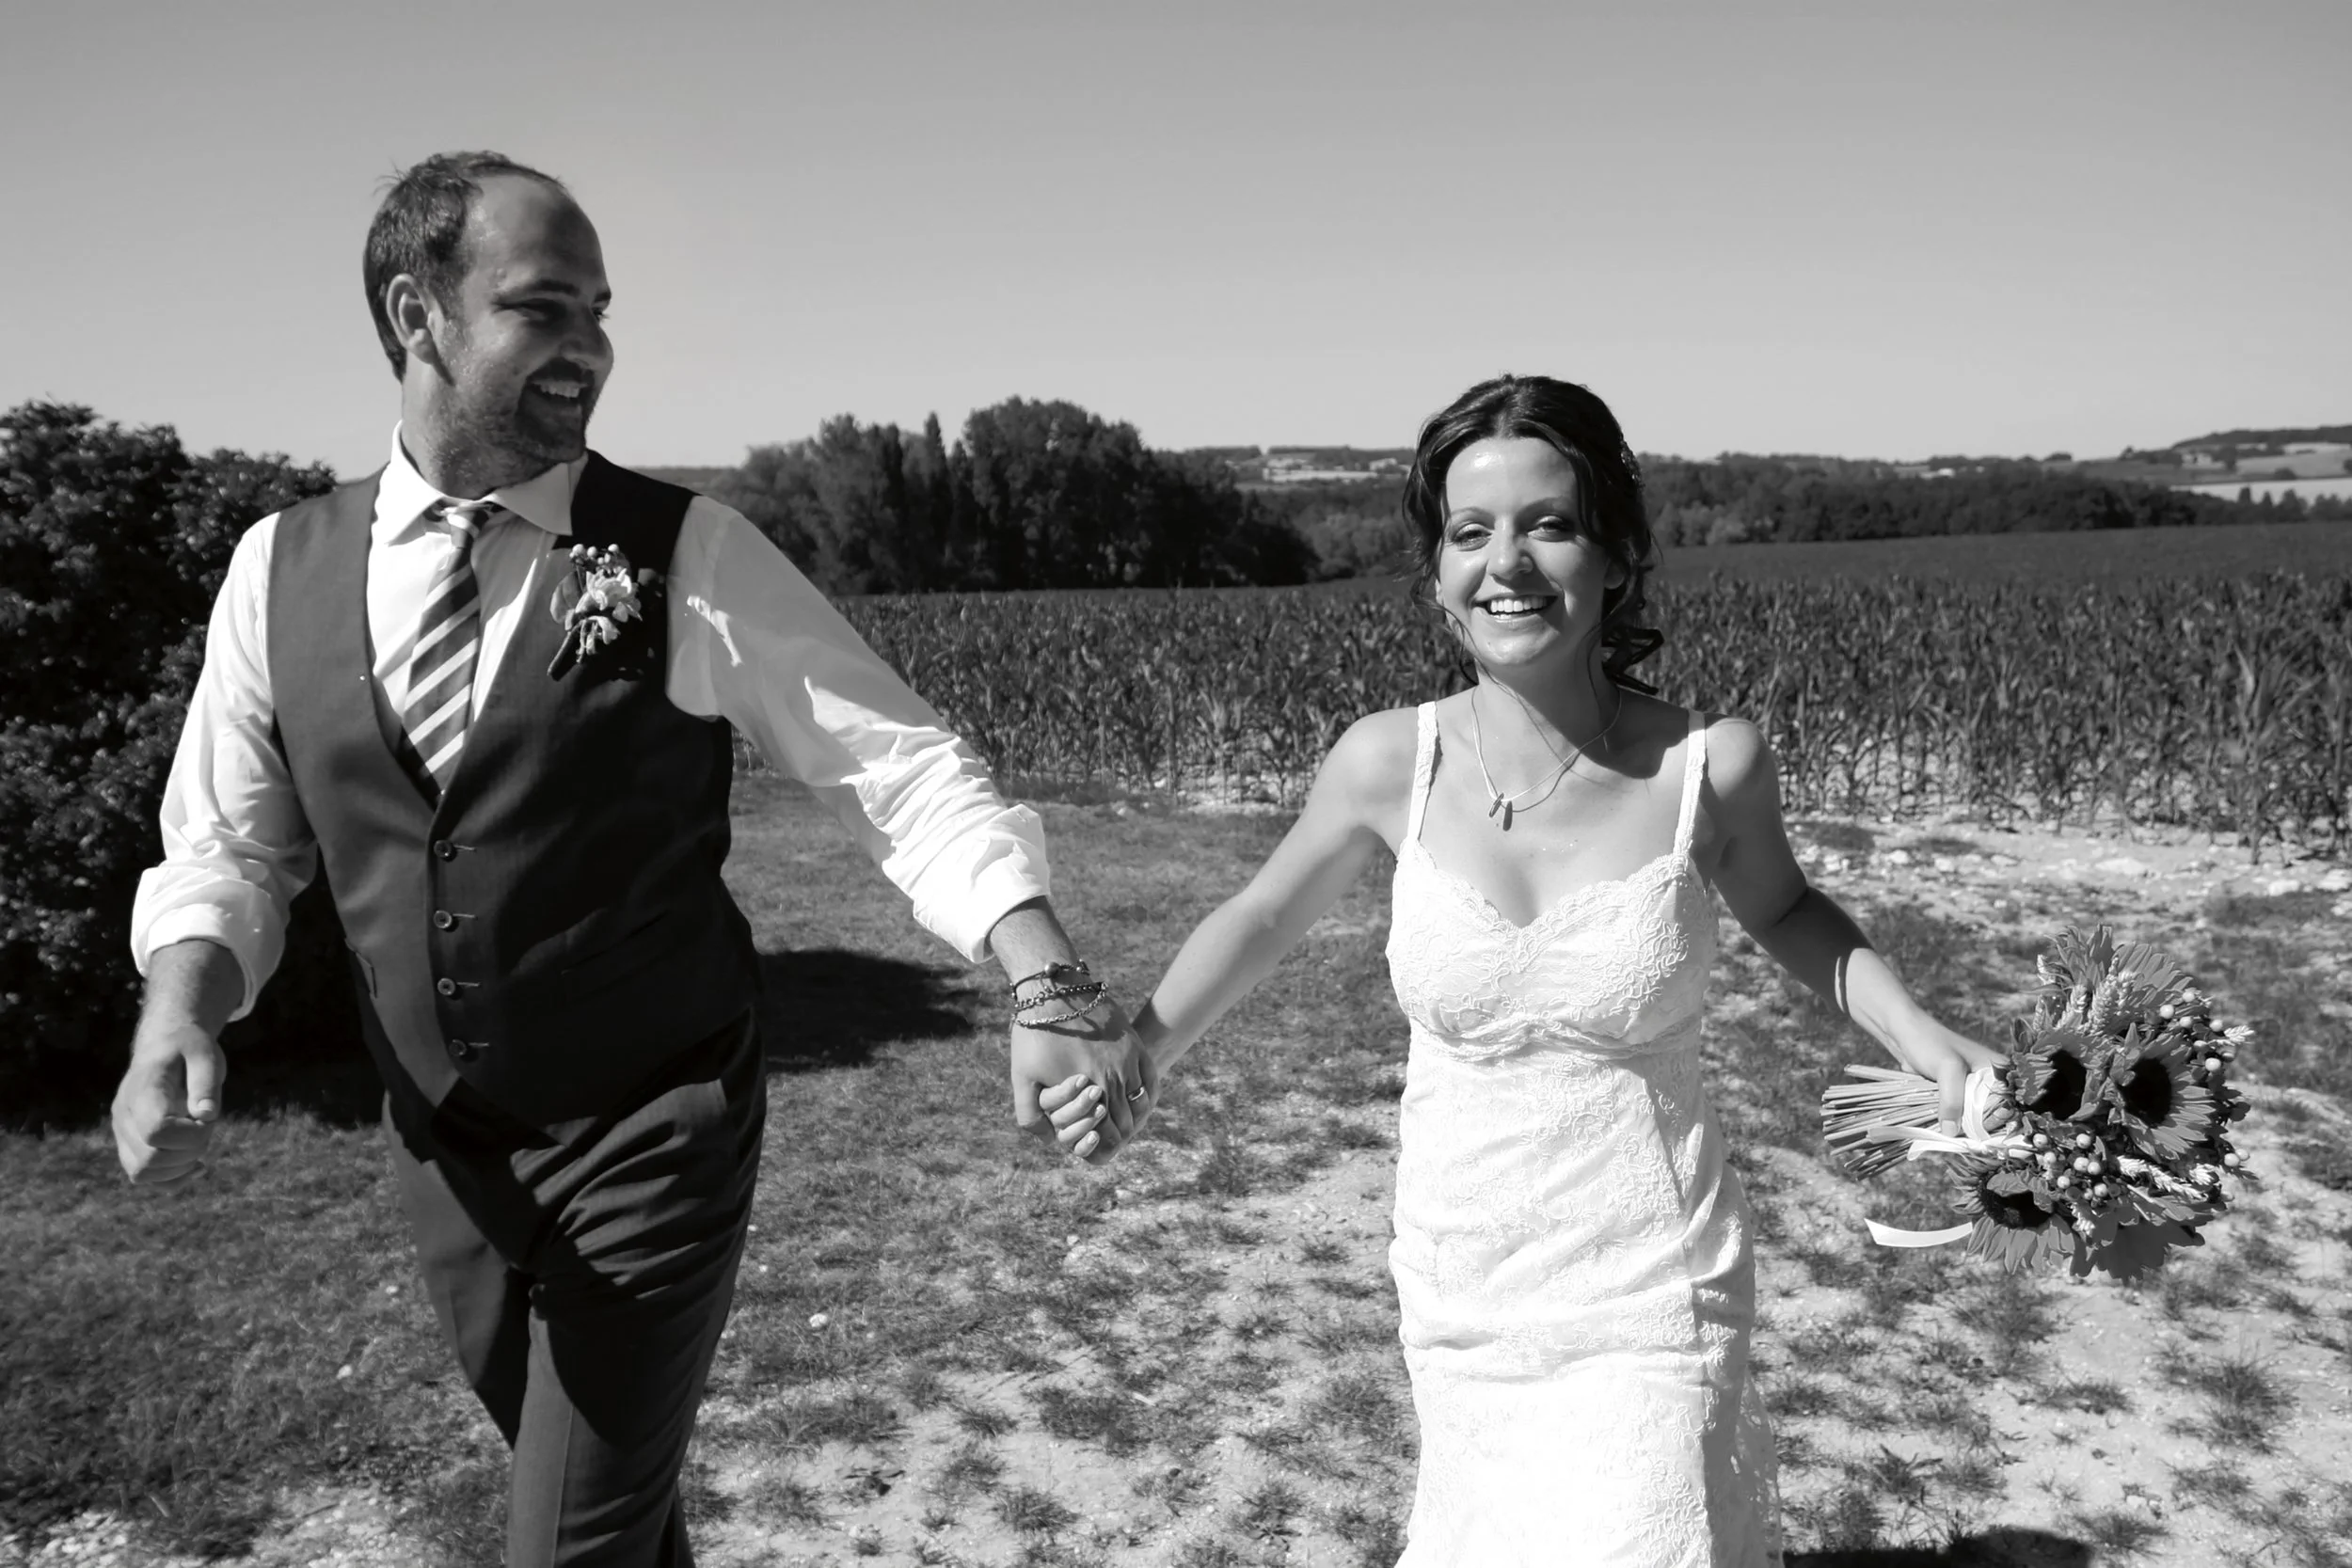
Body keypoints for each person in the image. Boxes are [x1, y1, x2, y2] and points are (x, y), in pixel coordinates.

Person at [108, 150, 1152, 1568]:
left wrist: (1041, 979)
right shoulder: (273, 568)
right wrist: (180, 1000)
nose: (591, 347)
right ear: (418, 316)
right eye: (544, 308)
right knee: (609, 1509)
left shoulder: (688, 551)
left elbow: (894, 764)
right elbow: (232, 838)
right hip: (448, 1149)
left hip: (656, 1126)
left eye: (599, 308)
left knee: (569, 1544)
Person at [1044, 374, 2001, 1565]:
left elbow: (1793, 909)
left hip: (1652, 1272)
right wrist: (1140, 1048)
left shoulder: (1708, 765)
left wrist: (1920, 1035)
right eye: (1470, 531)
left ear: (1617, 553)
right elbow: (1260, 913)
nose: (1508, 562)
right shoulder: (1387, 760)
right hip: (1463, 1275)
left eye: (1547, 523)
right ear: (1439, 573)